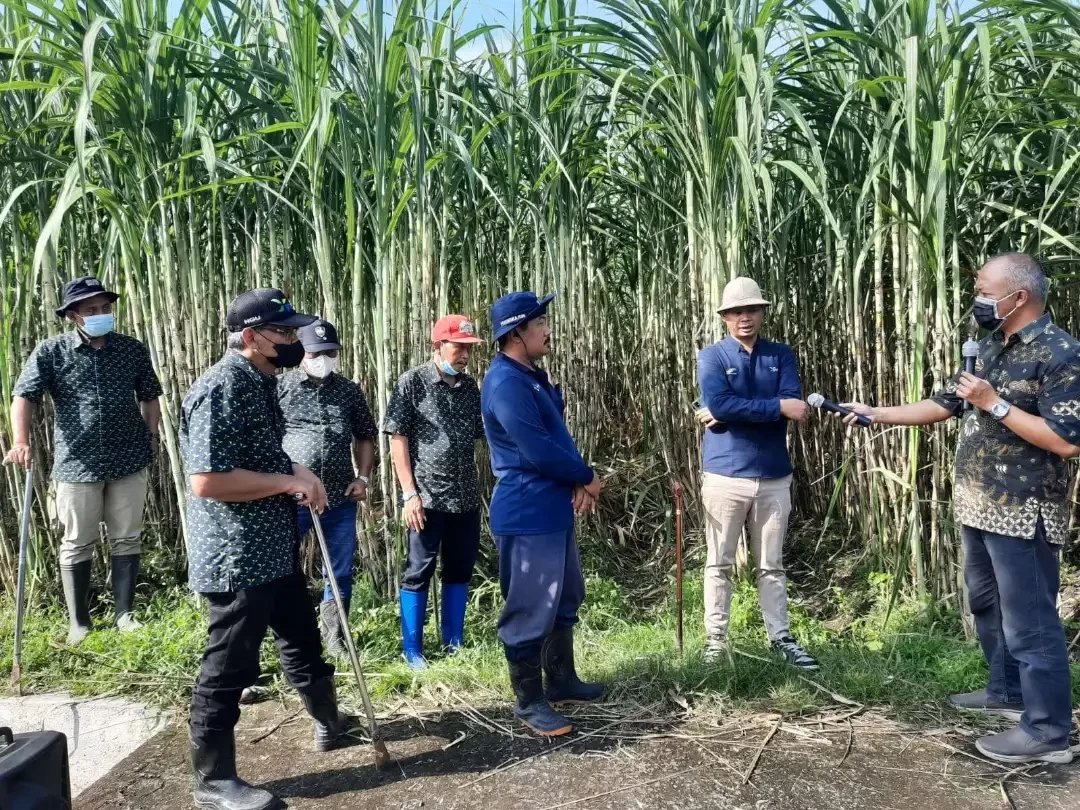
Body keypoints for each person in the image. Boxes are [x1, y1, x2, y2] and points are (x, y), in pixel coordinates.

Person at [839, 254, 1078, 765]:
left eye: (985, 289)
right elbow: (946, 403)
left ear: (1019, 297)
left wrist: (995, 403)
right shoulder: (992, 346)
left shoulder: (1061, 353)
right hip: (978, 503)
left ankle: (1049, 732)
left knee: (1030, 621)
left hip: (1024, 510)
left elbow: (1066, 441)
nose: (978, 298)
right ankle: (1007, 694)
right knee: (987, 606)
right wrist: (877, 413)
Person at [181, 289, 356, 810]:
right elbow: (208, 481)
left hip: (273, 549)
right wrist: (286, 484)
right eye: (283, 334)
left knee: (302, 638)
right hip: (237, 555)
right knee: (230, 664)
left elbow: (262, 454)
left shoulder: (262, 382)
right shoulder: (220, 389)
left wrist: (297, 471)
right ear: (252, 338)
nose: (294, 342)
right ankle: (212, 780)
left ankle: (330, 719)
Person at [5, 276, 161, 645]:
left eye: (105, 308)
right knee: (77, 540)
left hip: (129, 456)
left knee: (127, 536)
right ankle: (80, 621)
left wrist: (150, 434)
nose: (101, 314)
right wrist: (21, 440)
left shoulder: (131, 349)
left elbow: (150, 395)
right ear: (74, 316)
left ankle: (125, 613)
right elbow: (23, 396)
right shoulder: (51, 352)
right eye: (91, 310)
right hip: (77, 462)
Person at [481, 291, 605, 737]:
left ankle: (562, 681)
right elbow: (535, 450)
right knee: (531, 606)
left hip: (552, 506)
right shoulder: (505, 383)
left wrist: (576, 480)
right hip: (527, 507)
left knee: (565, 595)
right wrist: (586, 475)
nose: (549, 329)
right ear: (517, 332)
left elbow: (558, 439)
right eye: (541, 322)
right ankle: (529, 703)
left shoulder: (532, 375)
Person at [695, 277, 818, 670]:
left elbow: (794, 404)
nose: (743, 317)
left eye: (750, 310)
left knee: (772, 563)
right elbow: (723, 403)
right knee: (719, 561)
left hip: (773, 475)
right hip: (725, 475)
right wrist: (774, 408)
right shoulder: (711, 357)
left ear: (762, 313)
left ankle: (780, 637)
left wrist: (729, 410)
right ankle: (716, 639)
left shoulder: (780, 355)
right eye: (735, 312)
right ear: (725, 318)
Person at [383, 314, 485, 669]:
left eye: (469, 349)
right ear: (438, 345)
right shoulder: (412, 383)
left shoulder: (471, 388)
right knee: (418, 569)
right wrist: (409, 493)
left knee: (459, 569)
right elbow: (398, 440)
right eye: (458, 347)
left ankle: (453, 643)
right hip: (426, 498)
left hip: (465, 496)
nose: (464, 355)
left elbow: (483, 433)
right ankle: (412, 649)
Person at [280, 318, 377, 657]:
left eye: (331, 351)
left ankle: (335, 638)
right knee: (281, 566)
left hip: (339, 496)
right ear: (301, 353)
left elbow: (366, 435)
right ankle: (290, 640)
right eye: (317, 352)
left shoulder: (349, 391)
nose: (325, 357)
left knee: (339, 570)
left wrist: (362, 477)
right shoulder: (280, 387)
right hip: (292, 497)